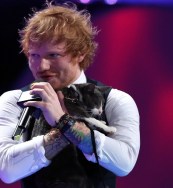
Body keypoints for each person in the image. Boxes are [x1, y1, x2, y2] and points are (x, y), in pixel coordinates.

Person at [0, 1, 140, 188]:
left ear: (80, 53)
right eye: (34, 55)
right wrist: (63, 131)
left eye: (53, 55)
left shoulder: (116, 100)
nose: (42, 67)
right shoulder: (14, 101)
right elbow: (6, 171)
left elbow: (124, 163)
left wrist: (63, 121)